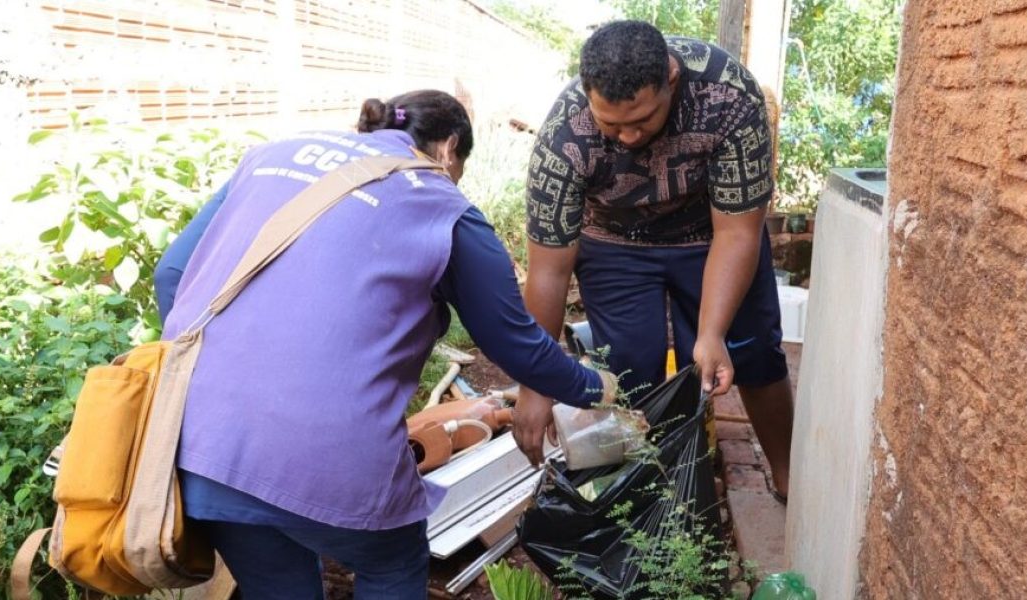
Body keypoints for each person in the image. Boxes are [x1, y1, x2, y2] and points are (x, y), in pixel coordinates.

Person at [153, 90, 620, 599]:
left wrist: (226, 376)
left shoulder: (268, 157)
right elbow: (516, 345)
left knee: (276, 578)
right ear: (449, 149)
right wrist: (597, 388)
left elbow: (172, 274)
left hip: (201, 442)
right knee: (392, 561)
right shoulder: (444, 206)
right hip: (331, 454)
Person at [512, 21, 795, 499]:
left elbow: (737, 232)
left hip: (710, 234)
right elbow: (549, 270)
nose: (627, 137)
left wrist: (711, 333)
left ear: (672, 79)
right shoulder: (564, 136)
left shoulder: (728, 96)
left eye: (642, 119)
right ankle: (654, 496)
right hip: (614, 242)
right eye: (611, 125)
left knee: (751, 350)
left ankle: (789, 477)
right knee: (629, 368)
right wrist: (535, 384)